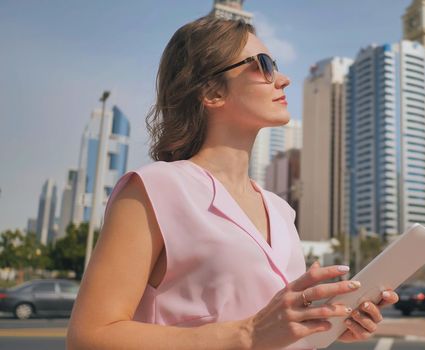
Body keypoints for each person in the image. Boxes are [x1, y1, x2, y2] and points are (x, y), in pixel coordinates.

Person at [66, 15, 398, 350]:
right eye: (263, 65)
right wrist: (247, 334)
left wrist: (329, 321)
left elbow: (275, 326)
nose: (282, 79)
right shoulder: (152, 189)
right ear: (211, 92)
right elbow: (88, 337)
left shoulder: (281, 210)